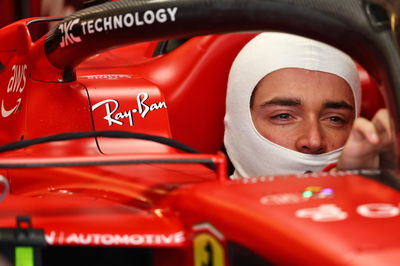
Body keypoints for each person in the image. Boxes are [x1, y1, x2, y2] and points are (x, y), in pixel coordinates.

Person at [224, 32, 393, 178]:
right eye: (284, 116)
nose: (314, 141)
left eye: (334, 119)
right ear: (240, 121)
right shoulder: (200, 212)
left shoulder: (376, 206)